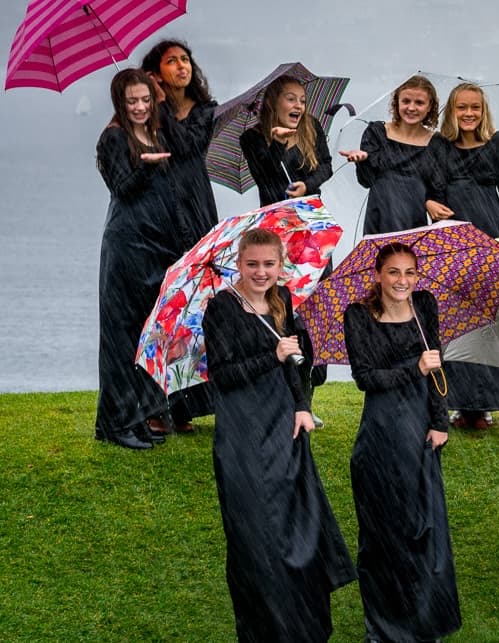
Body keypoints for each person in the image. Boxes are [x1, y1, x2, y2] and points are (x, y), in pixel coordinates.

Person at [202, 229, 354, 641]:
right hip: (242, 433)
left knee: (300, 524)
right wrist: (271, 355)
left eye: (269, 264)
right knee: (256, 536)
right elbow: (223, 376)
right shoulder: (221, 308)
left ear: (280, 265)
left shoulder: (281, 299)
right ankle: (266, 631)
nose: (261, 272)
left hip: (285, 425)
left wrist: (302, 406)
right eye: (252, 264)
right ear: (239, 263)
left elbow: (293, 366)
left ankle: (304, 627)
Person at [342, 244, 460, 641]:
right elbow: (366, 378)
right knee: (382, 531)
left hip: (421, 429)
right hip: (381, 431)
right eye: (394, 272)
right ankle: (383, 627)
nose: (402, 280)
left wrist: (440, 421)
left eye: (410, 272)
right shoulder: (358, 315)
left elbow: (437, 370)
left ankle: (425, 619)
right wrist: (414, 368)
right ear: (378, 274)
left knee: (424, 526)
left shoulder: (424, 306)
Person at [427, 82, 499, 429]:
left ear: (483, 110)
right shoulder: (439, 145)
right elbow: (433, 191)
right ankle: (459, 402)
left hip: (491, 236)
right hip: (454, 238)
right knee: (456, 322)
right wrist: (429, 203)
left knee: (490, 321)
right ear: (452, 111)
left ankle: (486, 401)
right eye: (462, 107)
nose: (469, 113)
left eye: (475, 107)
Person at [93, 68, 176, 450]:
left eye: (145, 99)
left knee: (147, 334)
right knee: (120, 336)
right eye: (132, 101)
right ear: (120, 103)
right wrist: (145, 165)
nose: (140, 107)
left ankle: (139, 416)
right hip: (126, 245)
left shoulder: (155, 133)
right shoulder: (113, 137)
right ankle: (115, 423)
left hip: (155, 246)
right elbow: (121, 188)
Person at [141, 40, 220, 436]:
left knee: (195, 307)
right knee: (162, 307)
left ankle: (187, 406)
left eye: (185, 60)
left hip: (197, 208)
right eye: (171, 61)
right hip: (162, 210)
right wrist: (152, 104)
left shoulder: (205, 110)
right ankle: (157, 404)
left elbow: (187, 147)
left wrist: (161, 108)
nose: (181, 66)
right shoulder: (146, 113)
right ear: (156, 72)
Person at [340, 75, 440, 235]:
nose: (411, 108)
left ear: (430, 106)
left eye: (419, 103)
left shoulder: (437, 142)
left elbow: (438, 187)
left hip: (414, 217)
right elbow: (366, 181)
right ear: (396, 102)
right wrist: (363, 161)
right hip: (380, 214)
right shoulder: (377, 133)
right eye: (406, 101)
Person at [239, 75, 333, 207]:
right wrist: (278, 142)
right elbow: (264, 178)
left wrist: (306, 186)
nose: (299, 106)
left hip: (311, 210)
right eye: (291, 99)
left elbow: (326, 166)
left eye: (302, 101)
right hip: (276, 213)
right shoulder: (251, 137)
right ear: (272, 103)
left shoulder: (311, 125)